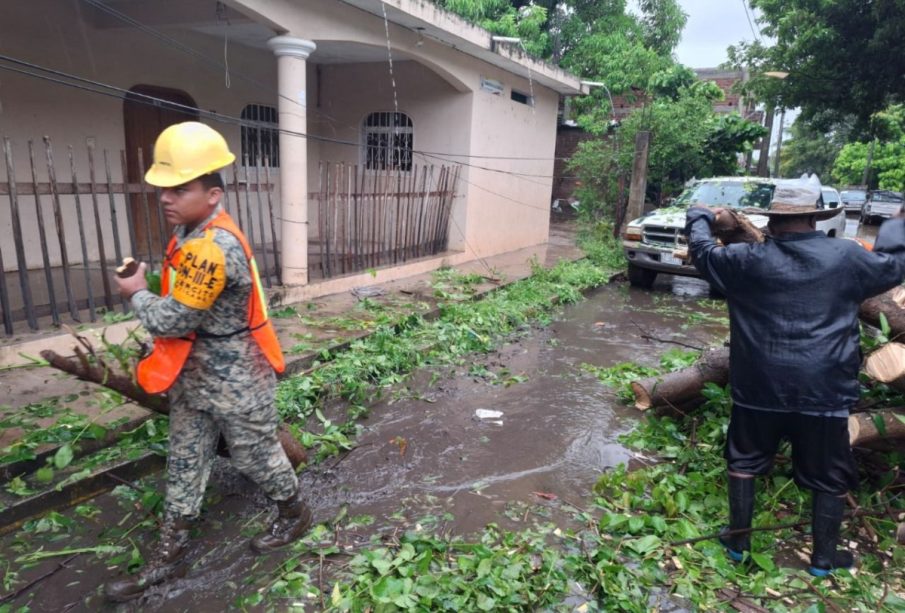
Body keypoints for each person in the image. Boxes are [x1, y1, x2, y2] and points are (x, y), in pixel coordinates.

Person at [106, 122, 310, 601]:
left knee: (255, 455)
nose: (166, 197)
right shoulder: (191, 231)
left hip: (238, 377)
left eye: (181, 188)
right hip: (196, 376)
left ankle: (294, 513)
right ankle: (168, 558)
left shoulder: (213, 248)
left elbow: (172, 320)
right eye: (164, 188)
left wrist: (136, 294)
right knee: (184, 461)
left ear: (213, 193)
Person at [684, 178, 905, 577]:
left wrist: (697, 217)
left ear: (773, 220)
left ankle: (739, 543)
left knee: (745, 461)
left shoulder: (746, 260)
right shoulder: (846, 256)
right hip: (825, 389)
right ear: (813, 219)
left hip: (758, 387)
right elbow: (895, 266)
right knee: (829, 474)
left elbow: (702, 254)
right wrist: (897, 225)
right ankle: (823, 560)